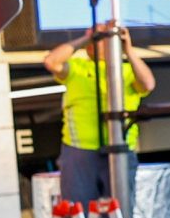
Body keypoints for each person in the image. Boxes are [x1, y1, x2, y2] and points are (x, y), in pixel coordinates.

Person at [44, 21, 156, 204]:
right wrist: (86, 38)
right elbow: (51, 61)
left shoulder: (127, 71)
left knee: (122, 214)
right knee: (77, 216)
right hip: (79, 149)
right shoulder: (77, 67)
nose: (96, 42)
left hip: (120, 148)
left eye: (102, 38)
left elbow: (148, 84)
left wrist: (128, 49)